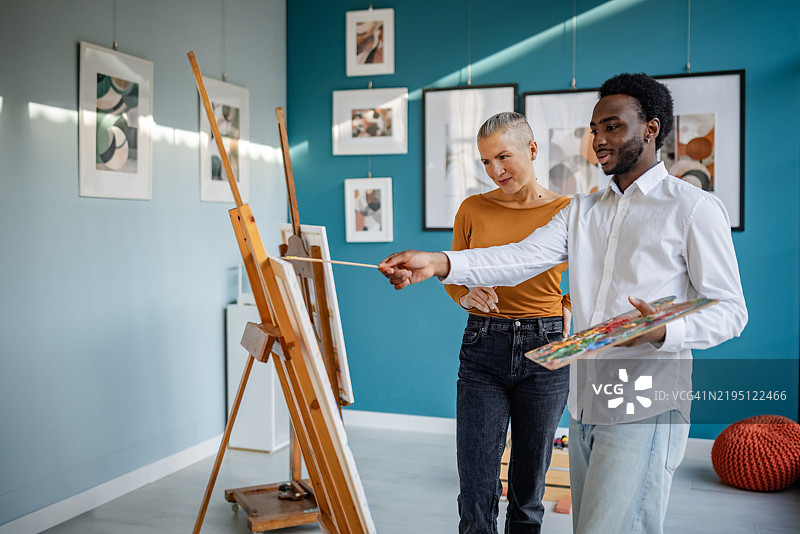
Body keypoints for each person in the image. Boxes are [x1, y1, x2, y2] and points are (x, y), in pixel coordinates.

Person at [378, 73, 747, 534]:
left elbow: (731, 310)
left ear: (651, 129)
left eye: (612, 127)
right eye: (594, 129)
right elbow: (519, 259)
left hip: (648, 400)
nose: (598, 140)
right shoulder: (583, 210)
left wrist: (664, 331)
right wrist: (437, 261)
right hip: (587, 399)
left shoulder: (693, 209)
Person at [446, 112, 571, 534]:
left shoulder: (566, 211)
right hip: (484, 344)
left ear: (532, 150)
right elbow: (455, 277)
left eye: (503, 157)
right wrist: (464, 294)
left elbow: (593, 280)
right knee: (476, 489)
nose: (495, 170)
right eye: (485, 162)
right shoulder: (472, 209)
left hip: (547, 346)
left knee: (529, 491)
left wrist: (567, 308)